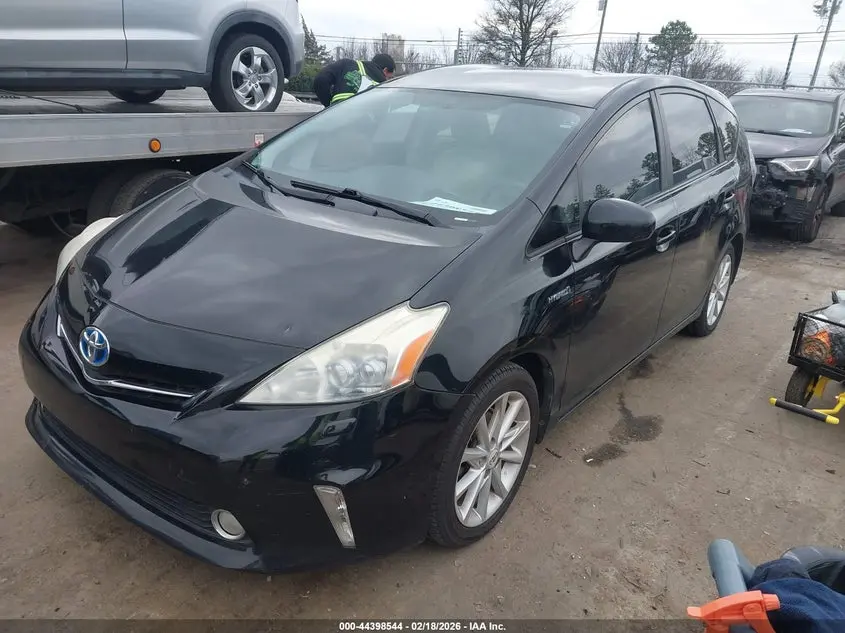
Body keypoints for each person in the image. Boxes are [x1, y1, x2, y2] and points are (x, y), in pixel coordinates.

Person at [312, 53, 396, 108]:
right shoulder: (383, 88)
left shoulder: (346, 64)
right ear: (385, 70)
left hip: (335, 120)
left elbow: (320, 80)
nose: (387, 80)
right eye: (389, 77)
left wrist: (329, 106)